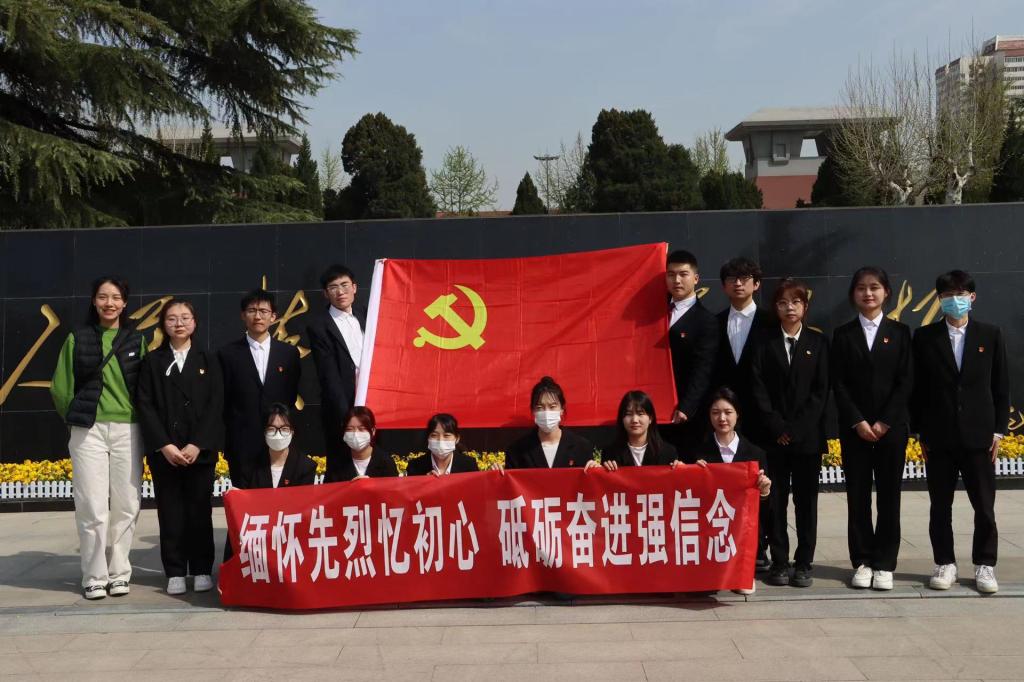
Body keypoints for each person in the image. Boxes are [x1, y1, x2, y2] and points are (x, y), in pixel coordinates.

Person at [911, 270, 1008, 594]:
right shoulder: (924, 337)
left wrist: (998, 432)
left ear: (972, 297)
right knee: (940, 506)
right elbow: (918, 389)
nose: (955, 300)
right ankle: (945, 562)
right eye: (948, 295)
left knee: (984, 506)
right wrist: (919, 431)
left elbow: (1001, 387)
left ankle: (985, 564)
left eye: (961, 294)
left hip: (980, 437)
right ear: (939, 300)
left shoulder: (990, 335)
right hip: (938, 437)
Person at [50, 276, 147, 600]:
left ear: (124, 302)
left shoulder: (136, 340)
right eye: (103, 297)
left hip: (128, 429)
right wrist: (74, 418)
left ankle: (119, 573)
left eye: (116, 297)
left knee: (127, 504)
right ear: (94, 301)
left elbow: (145, 387)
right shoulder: (77, 338)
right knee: (92, 505)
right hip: (88, 430)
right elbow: (61, 387)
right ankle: (93, 576)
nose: (109, 303)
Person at [831, 267, 913, 591]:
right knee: (858, 496)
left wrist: (884, 421)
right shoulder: (843, 334)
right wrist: (859, 421)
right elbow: (838, 383)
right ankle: (863, 560)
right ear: (853, 294)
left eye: (874, 287)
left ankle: (885, 563)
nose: (868, 293)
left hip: (891, 429)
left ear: (886, 292)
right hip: (856, 430)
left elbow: (906, 381)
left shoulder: (901, 333)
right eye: (862, 288)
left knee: (890, 496)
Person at [136, 300, 224, 596]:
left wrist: (198, 443)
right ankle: (174, 570)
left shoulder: (209, 359)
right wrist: (164, 445)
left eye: (185, 317)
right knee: (170, 510)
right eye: (172, 318)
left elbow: (216, 403)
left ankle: (201, 568)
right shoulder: (152, 361)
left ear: (195, 322)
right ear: (163, 324)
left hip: (199, 450)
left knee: (200, 509)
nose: (179, 323)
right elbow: (145, 405)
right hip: (167, 453)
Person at [750, 277, 829, 589]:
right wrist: (778, 427)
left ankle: (804, 562)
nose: (789, 308)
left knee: (806, 504)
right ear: (776, 308)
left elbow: (821, 392)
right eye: (783, 303)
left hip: (807, 440)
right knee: (775, 502)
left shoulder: (818, 343)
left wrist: (796, 429)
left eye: (795, 302)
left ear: (805, 307)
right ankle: (780, 562)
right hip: (773, 439)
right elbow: (758, 389)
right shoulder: (763, 342)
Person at [688, 387, 772, 594]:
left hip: (741, 529)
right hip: (710, 527)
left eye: (728, 412)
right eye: (715, 413)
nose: (722, 418)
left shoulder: (755, 454)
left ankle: (742, 572)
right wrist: (691, 474)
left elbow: (764, 507)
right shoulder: (698, 453)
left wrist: (764, 491)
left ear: (737, 414)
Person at [218, 289, 300, 486]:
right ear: (243, 315)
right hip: (242, 442)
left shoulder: (288, 353)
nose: (257, 316)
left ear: (273, 316)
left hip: (279, 440)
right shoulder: (227, 354)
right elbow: (223, 399)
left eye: (263, 311)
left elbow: (291, 394)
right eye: (252, 310)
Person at [306, 264, 365, 482]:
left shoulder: (366, 315)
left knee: (372, 459)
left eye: (344, 285)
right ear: (325, 293)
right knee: (342, 465)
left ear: (354, 287)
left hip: (371, 402)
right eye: (333, 287)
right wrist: (347, 416)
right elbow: (328, 374)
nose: (340, 292)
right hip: (341, 407)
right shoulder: (319, 325)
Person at [664, 249, 720, 453]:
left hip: (684, 414)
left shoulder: (706, 321)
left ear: (696, 278)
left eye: (683, 274)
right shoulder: (652, 312)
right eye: (671, 274)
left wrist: (687, 407)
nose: (676, 280)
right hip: (651, 410)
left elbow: (703, 369)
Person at [714, 257, 775, 421]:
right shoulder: (714, 323)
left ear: (756, 284)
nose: (738, 283)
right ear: (724, 286)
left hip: (764, 411)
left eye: (744, 278)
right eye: (732, 279)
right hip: (725, 413)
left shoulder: (771, 322)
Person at [504, 376, 598, 470]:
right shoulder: (517, 451)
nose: (546, 412)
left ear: (562, 409)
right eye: (540, 407)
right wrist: (497, 473)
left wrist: (597, 470)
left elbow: (589, 478)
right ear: (533, 411)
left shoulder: (581, 447)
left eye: (552, 407)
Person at [233, 403, 317, 489]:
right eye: (271, 429)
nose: (278, 434)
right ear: (264, 431)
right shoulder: (250, 467)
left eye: (284, 429)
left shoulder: (305, 467)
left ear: (292, 431)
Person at [600, 390, 678, 469]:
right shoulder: (610, 454)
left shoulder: (667, 452)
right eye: (629, 414)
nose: (635, 420)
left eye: (640, 414)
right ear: (622, 419)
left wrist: (680, 469)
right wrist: (599, 468)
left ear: (650, 418)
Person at [327, 406, 400, 481]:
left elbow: (392, 487)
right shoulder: (336, 463)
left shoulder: (386, 462)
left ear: (373, 430)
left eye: (361, 429)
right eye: (350, 429)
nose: (355, 434)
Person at [406, 413, 480, 476]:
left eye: (446, 435)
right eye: (434, 435)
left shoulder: (469, 465)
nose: (440, 441)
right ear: (428, 438)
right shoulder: (414, 466)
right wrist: (425, 482)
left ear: (457, 438)